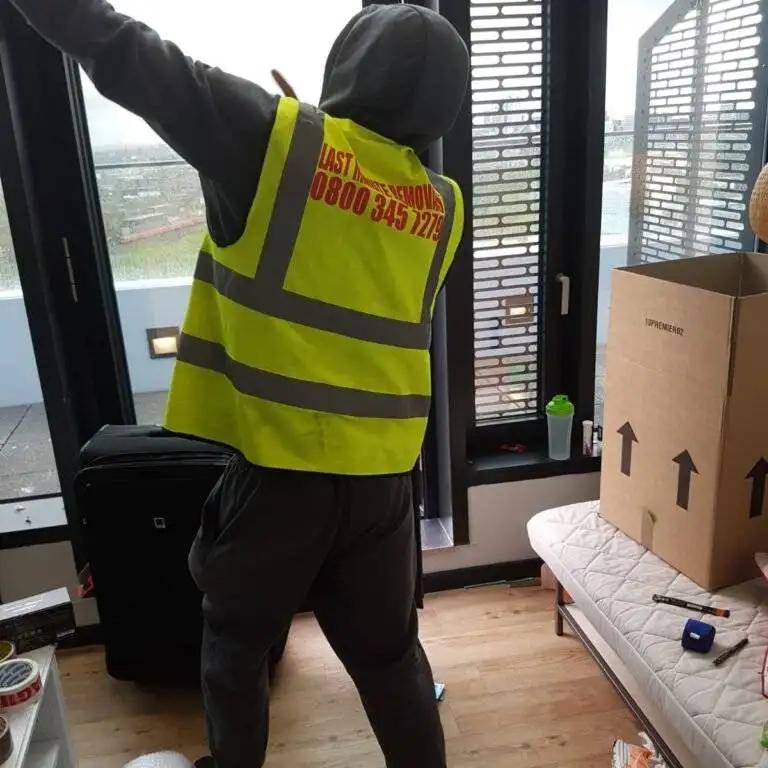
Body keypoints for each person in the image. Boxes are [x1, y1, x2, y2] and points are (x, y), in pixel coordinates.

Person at [7, 0, 469, 765]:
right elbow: (357, 254)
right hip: (386, 489)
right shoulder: (441, 204)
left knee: (235, 649)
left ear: (349, 68)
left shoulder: (272, 140)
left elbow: (124, 50)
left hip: (284, 480)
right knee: (391, 661)